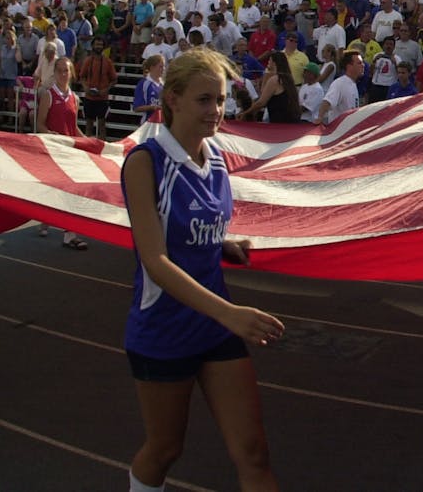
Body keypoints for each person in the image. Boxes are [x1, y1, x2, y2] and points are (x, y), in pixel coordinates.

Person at [119, 48, 284, 492]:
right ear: (171, 99)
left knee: (253, 452)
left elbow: (193, 230)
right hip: (164, 330)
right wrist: (230, 314)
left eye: (221, 99)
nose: (216, 111)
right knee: (165, 450)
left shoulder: (214, 159)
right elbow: (155, 261)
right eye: (204, 99)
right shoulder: (145, 162)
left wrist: (223, 244)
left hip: (213, 330)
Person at [35, 56, 90, 250]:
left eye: (66, 71)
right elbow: (39, 124)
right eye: (59, 71)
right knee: (54, 189)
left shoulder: (74, 98)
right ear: (54, 73)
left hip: (68, 152)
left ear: (71, 73)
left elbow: (73, 127)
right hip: (52, 150)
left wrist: (89, 142)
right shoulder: (49, 95)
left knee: (68, 191)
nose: (63, 74)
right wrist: (51, 135)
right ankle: (48, 219)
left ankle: (68, 233)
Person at [238, 51, 303, 123]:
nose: (268, 62)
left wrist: (246, 113)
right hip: (290, 120)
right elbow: (264, 93)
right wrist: (266, 75)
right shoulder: (288, 79)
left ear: (274, 63)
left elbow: (261, 102)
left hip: (279, 121)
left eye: (269, 60)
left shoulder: (275, 80)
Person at [77, 38, 119, 138]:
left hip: (102, 98)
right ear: (92, 46)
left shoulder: (108, 62)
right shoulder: (88, 61)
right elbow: (82, 76)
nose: (99, 47)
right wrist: (85, 87)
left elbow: (114, 80)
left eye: (100, 45)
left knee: (102, 125)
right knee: (89, 125)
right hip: (89, 97)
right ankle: (87, 148)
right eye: (97, 44)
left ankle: (102, 147)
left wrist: (106, 89)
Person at [317, 49, 363, 124]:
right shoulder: (339, 83)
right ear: (349, 66)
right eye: (359, 63)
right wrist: (319, 118)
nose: (363, 65)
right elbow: (326, 102)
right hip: (338, 132)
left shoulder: (353, 84)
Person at [133, 55, 166, 123]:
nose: (163, 69)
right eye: (160, 66)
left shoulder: (163, 84)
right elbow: (136, 108)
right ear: (152, 67)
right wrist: (153, 107)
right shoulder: (144, 83)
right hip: (148, 124)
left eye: (164, 66)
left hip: (161, 124)